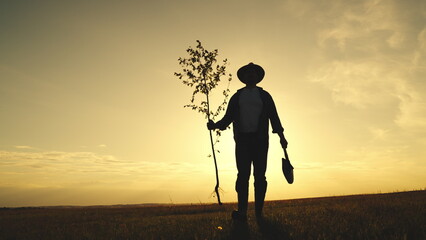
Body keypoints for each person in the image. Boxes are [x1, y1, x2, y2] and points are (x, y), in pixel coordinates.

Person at [207, 62, 288, 221]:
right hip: (242, 141)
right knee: (242, 176)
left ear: (258, 77)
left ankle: (259, 213)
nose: (251, 75)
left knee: (260, 176)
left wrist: (281, 137)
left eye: (253, 73)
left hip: (260, 141)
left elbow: (274, 117)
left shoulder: (265, 95)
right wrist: (214, 125)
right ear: (243, 77)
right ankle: (242, 212)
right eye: (248, 73)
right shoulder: (237, 96)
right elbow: (228, 118)